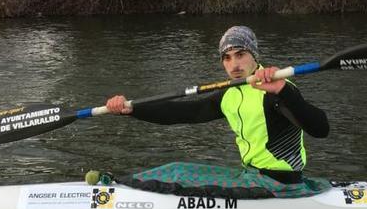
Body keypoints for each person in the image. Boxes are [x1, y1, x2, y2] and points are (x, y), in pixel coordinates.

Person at [105, 26, 329, 186]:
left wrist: (283, 91)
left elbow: (320, 129)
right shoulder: (229, 95)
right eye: (227, 58)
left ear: (254, 56)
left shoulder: (276, 90)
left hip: (281, 184)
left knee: (176, 182)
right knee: (176, 169)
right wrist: (132, 109)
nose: (234, 65)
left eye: (240, 55)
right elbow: (186, 112)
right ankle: (123, 185)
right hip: (251, 177)